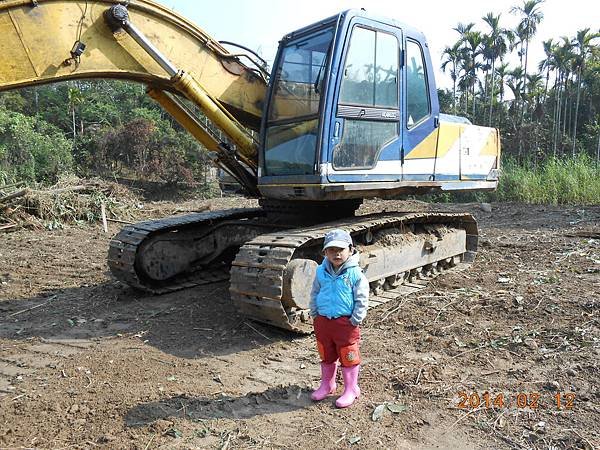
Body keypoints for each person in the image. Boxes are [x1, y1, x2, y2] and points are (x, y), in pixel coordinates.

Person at [309, 229, 369, 408]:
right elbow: (315, 292)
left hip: (345, 323)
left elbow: (362, 298)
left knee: (348, 354)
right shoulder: (321, 272)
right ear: (324, 252)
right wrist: (314, 313)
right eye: (331, 249)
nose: (336, 253)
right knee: (326, 353)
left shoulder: (355, 274)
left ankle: (351, 388)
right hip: (323, 322)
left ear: (350, 250)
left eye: (341, 249)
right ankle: (327, 385)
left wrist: (356, 318)